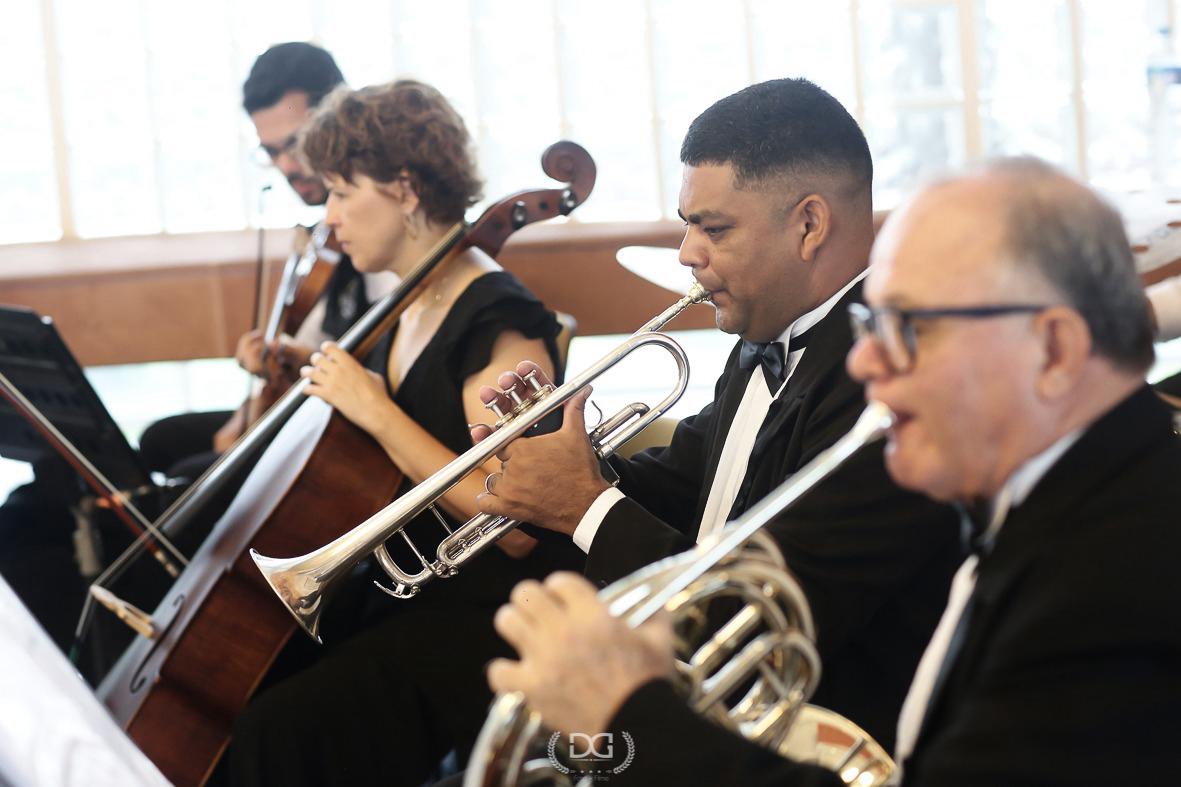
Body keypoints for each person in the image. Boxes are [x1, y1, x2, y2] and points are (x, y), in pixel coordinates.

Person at [485, 157, 1181, 786]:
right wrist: (565, 471)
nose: (863, 361)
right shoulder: (1062, 501)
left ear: (1053, 350)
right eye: (869, 325)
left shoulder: (1118, 571)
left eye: (906, 329)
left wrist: (630, 714)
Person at [473, 77, 961, 749]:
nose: (686, 252)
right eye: (687, 224)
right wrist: (564, 461)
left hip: (794, 741)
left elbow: (760, 620)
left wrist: (583, 505)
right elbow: (689, 487)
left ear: (809, 225)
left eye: (713, 228)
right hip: (702, 713)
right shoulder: (762, 337)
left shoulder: (888, 387)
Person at [227, 78, 581, 787]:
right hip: (404, 587)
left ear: (405, 189)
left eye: (341, 192)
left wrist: (374, 408)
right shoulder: (412, 298)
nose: (329, 217)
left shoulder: (500, 320)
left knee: (277, 732)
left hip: (482, 614)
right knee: (252, 685)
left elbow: (518, 524)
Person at [138, 42, 394, 481]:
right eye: (272, 152)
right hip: (306, 406)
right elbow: (306, 347)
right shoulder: (324, 240)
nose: (287, 166)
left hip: (347, 433)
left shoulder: (379, 232)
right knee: (159, 440)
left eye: (295, 143)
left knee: (186, 475)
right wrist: (258, 390)